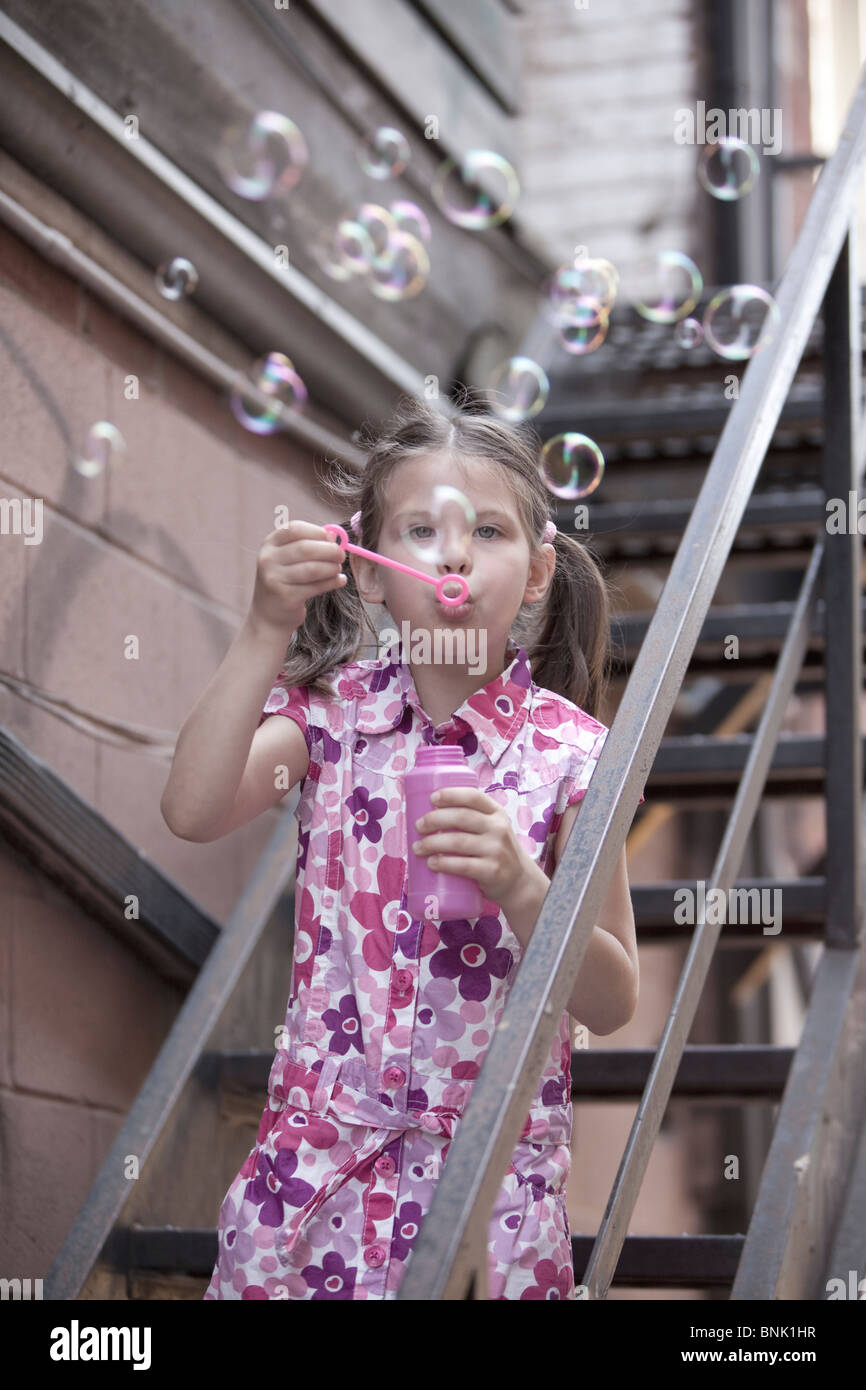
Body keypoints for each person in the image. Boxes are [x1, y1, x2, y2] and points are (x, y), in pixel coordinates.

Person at [161, 395, 643, 1300]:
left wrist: (523, 885)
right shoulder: (331, 715)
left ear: (538, 572)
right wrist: (265, 626)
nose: (454, 555)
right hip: (313, 1184)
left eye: (488, 531)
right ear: (369, 572)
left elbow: (612, 998)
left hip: (487, 1202)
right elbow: (191, 809)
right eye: (421, 530)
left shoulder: (575, 756)